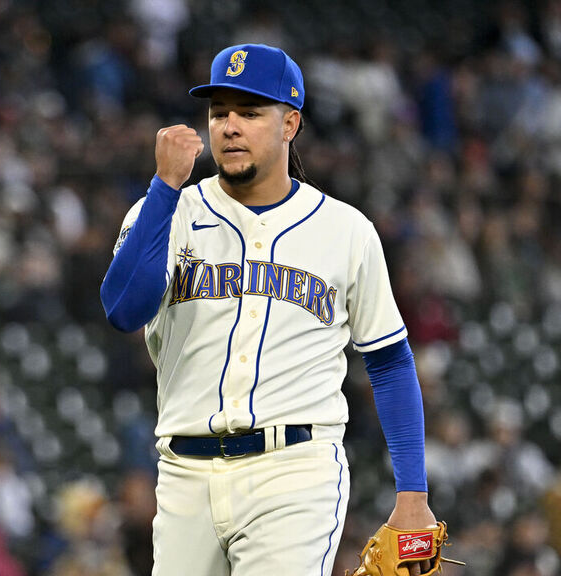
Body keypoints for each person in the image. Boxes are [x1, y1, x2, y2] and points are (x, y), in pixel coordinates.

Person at [100, 43, 437, 576]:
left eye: (250, 112)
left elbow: (390, 362)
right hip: (184, 474)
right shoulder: (166, 211)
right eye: (219, 113)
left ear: (290, 124)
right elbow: (122, 308)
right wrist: (165, 187)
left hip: (294, 471)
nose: (229, 126)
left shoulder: (345, 231)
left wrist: (413, 495)